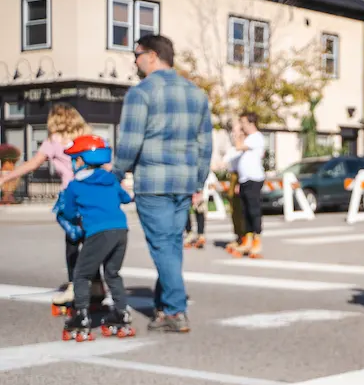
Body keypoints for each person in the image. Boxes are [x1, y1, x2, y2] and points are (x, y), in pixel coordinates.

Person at [113, 35, 213, 333]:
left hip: (153, 181)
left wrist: (116, 173)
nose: (135, 61)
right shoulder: (196, 94)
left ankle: (174, 310)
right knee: (171, 245)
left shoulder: (141, 93)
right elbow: (205, 144)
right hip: (183, 182)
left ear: (153, 56)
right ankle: (163, 304)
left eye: (137, 55)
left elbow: (130, 142)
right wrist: (198, 180)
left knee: (162, 246)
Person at [0, 103, 93, 305]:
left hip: (71, 197)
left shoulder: (54, 140)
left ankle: (74, 285)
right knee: (92, 241)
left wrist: (6, 178)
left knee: (72, 242)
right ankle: (96, 285)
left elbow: (33, 164)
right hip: (92, 195)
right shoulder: (86, 136)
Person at [55, 135, 134, 341]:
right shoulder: (111, 180)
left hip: (99, 232)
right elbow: (126, 198)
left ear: (81, 160)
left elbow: (70, 213)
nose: (74, 163)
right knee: (112, 273)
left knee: (82, 274)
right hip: (121, 230)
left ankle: (81, 316)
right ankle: (121, 313)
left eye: (75, 159)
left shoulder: (75, 185)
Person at [225, 111, 265, 258]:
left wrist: (237, 134)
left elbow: (239, 146)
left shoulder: (256, 137)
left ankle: (257, 240)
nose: (241, 126)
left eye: (243, 123)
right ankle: (247, 239)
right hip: (244, 179)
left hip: (254, 179)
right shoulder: (249, 138)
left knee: (254, 210)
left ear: (251, 123)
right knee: (245, 211)